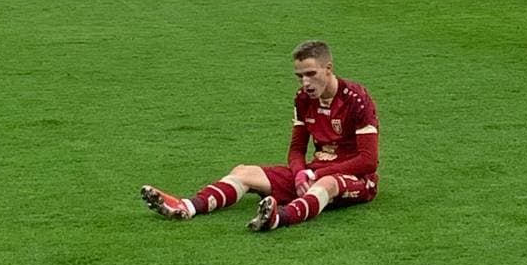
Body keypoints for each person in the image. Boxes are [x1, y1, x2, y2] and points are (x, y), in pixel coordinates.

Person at [140, 40, 380, 233]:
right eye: (299, 76)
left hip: (356, 180)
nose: (305, 83)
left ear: (328, 69)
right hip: (312, 172)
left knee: (326, 184)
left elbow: (368, 160)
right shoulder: (303, 99)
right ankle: (187, 207)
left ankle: (279, 218)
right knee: (243, 171)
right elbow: (297, 149)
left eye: (310, 74)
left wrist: (316, 174)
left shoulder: (356, 99)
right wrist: (299, 174)